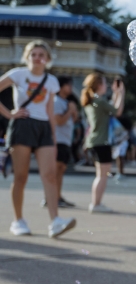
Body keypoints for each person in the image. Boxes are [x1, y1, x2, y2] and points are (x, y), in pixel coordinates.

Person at [0, 40, 77, 237]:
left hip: (44, 127)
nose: (37, 58)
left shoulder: (51, 81)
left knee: (50, 175)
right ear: (27, 57)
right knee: (21, 176)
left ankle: (55, 222)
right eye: (33, 54)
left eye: (41, 55)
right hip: (23, 124)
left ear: (47, 59)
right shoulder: (18, 74)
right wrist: (9, 114)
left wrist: (52, 135)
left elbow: (49, 110)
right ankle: (18, 221)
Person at [82, 72, 126, 213]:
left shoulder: (93, 101)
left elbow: (111, 107)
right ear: (98, 85)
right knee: (102, 176)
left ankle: (96, 203)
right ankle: (96, 204)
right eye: (104, 83)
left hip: (94, 141)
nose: (106, 85)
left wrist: (116, 93)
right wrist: (122, 93)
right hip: (102, 142)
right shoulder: (99, 102)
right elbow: (117, 111)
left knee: (100, 175)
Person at [50, 76, 79, 208]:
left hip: (66, 140)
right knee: (56, 171)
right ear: (61, 87)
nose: (71, 88)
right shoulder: (56, 101)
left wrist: (73, 111)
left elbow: (73, 120)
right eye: (68, 85)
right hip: (58, 140)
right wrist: (69, 111)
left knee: (61, 170)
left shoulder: (66, 102)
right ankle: (51, 197)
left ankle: (57, 196)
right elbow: (59, 121)